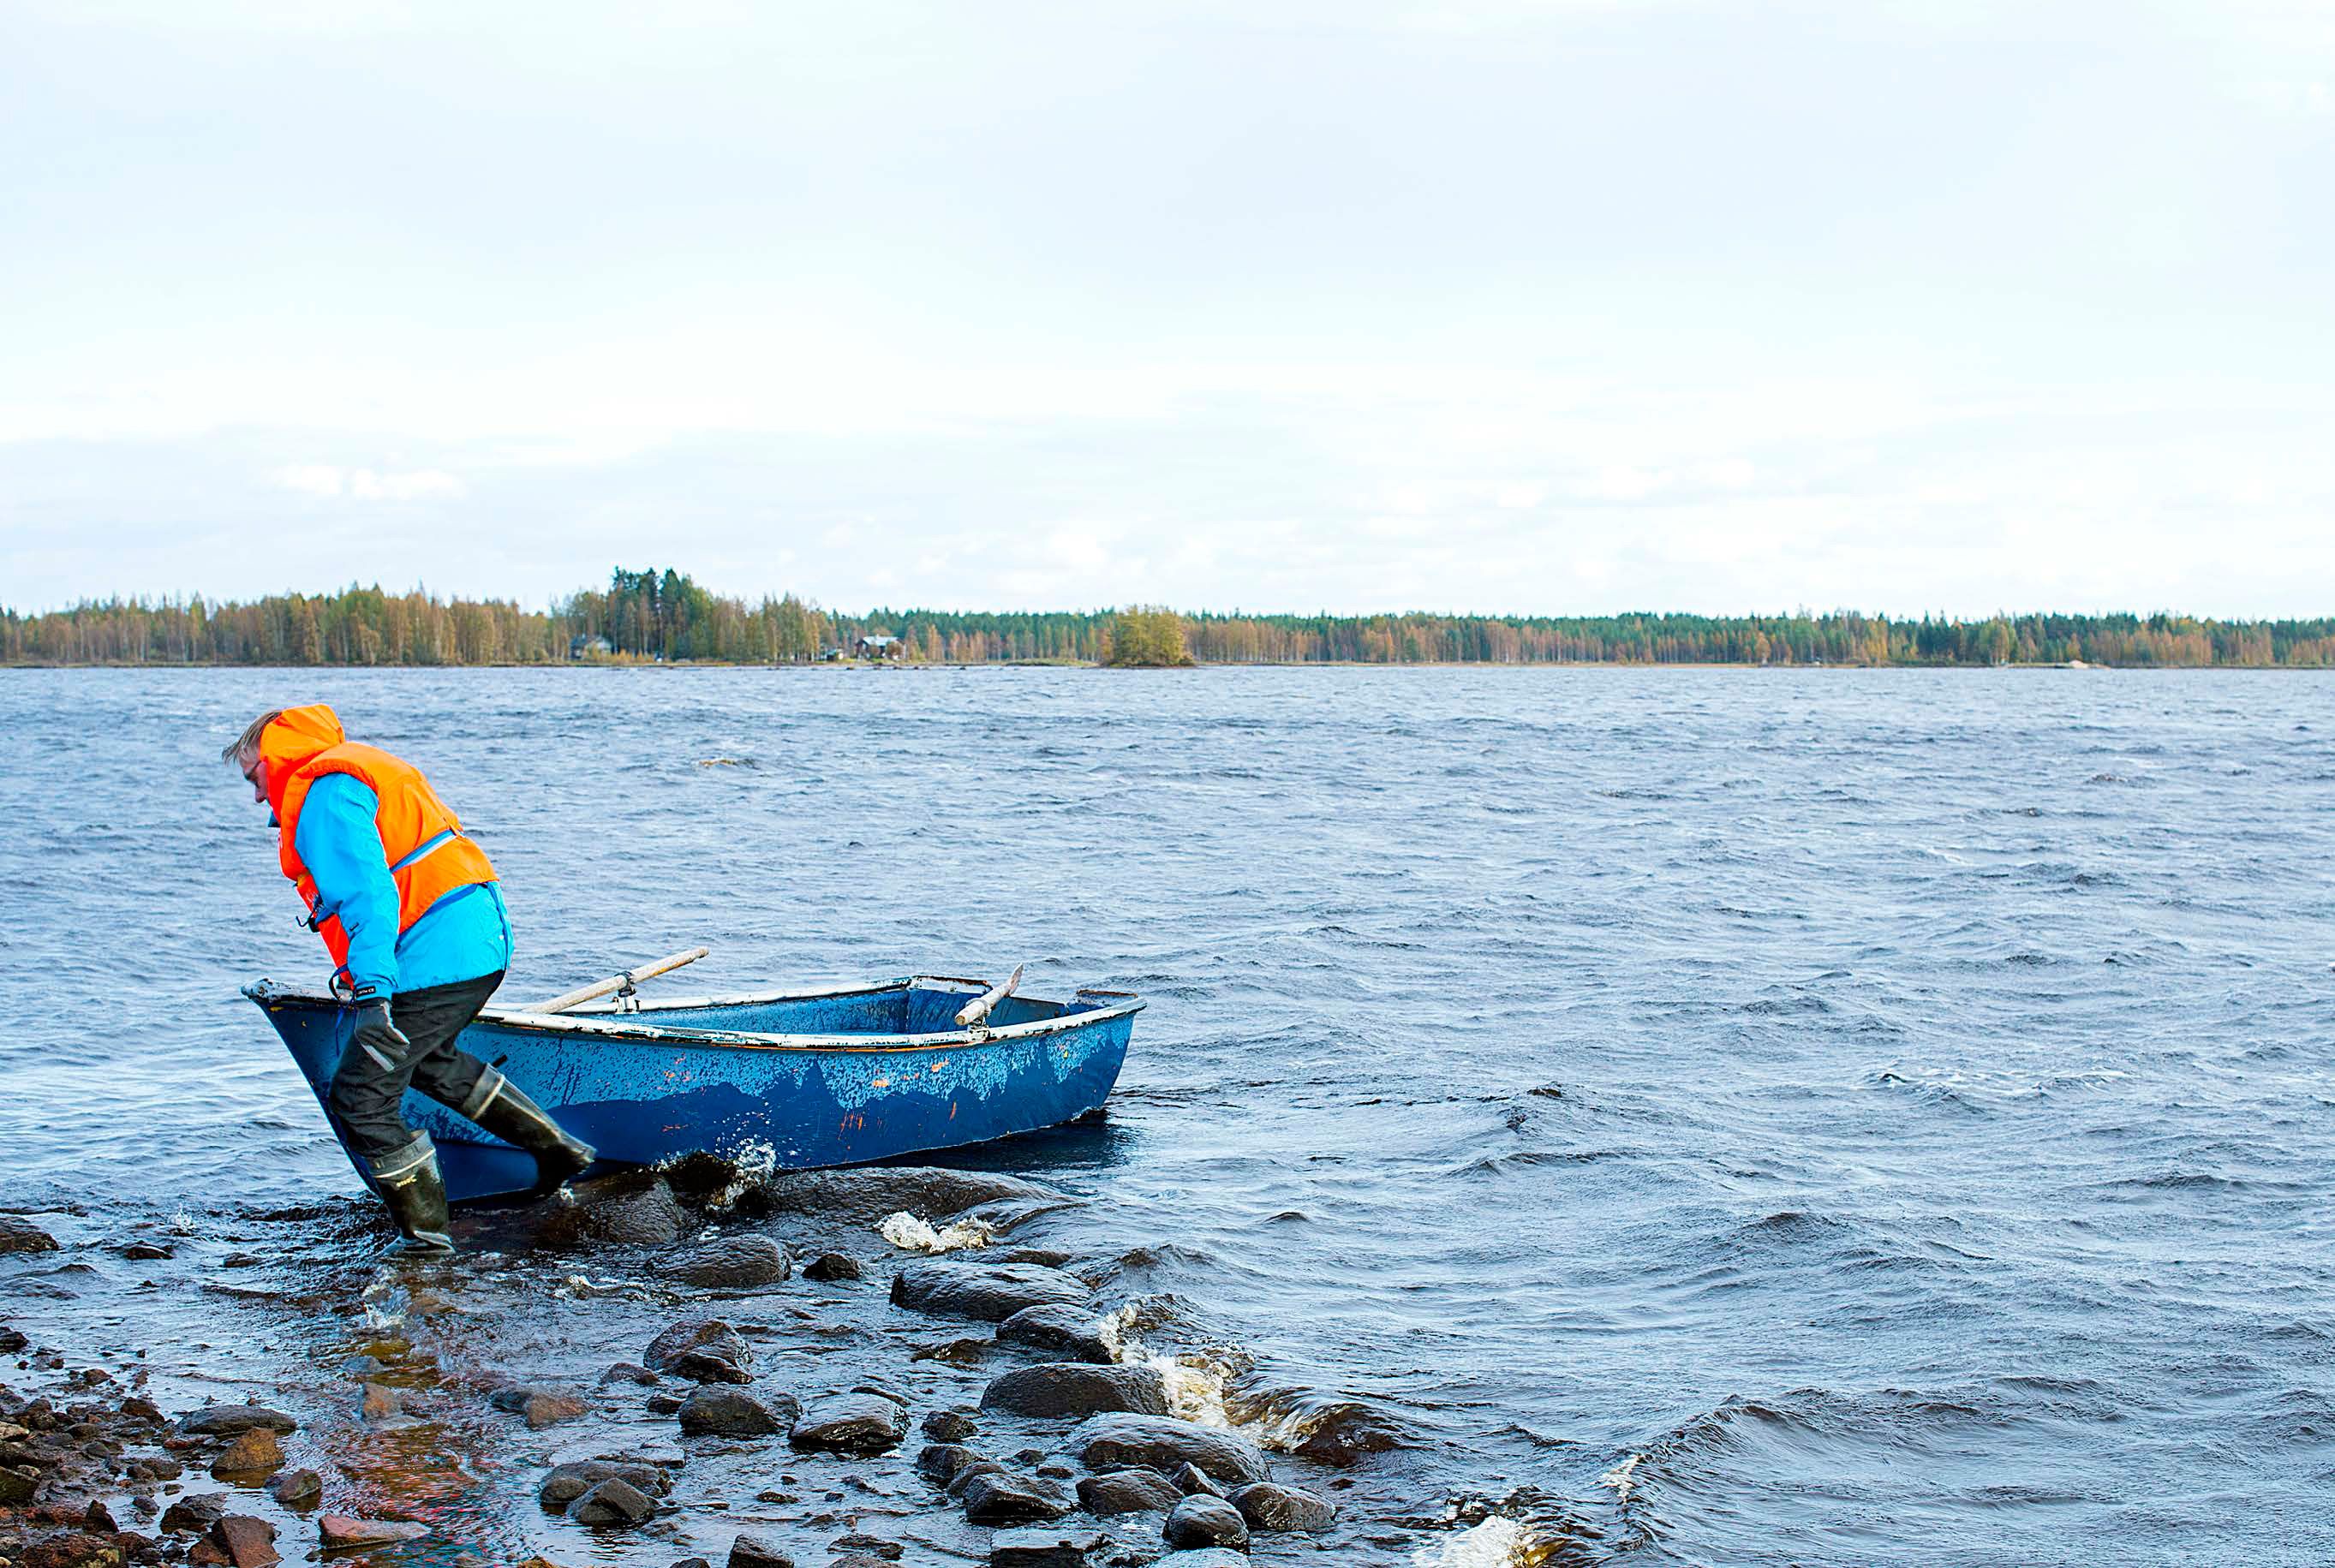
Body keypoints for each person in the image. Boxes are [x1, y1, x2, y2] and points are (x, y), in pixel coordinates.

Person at [224, 704, 594, 1255]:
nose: (257, 796)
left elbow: (368, 897)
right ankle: (561, 1154)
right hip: (476, 941)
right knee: (424, 1060)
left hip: (445, 952)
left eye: (254, 776)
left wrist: (372, 994)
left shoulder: (323, 794)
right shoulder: (348, 772)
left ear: (277, 756)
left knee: (361, 1096)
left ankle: (428, 1244)